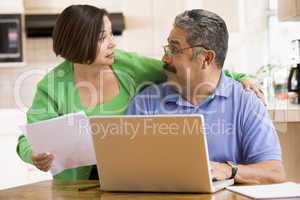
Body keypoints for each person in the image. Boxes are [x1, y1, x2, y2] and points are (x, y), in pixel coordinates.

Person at [17, 5, 263, 180]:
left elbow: (187, 69)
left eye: (111, 34)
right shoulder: (52, 86)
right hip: (75, 188)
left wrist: (238, 77)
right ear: (79, 42)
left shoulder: (126, 65)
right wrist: (34, 155)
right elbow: (27, 139)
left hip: (123, 183)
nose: (113, 43)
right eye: (103, 38)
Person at [126, 9, 286, 184]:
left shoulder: (246, 103)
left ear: (206, 58)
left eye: (174, 49)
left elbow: (274, 173)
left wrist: (228, 170)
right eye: (167, 48)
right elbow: (124, 168)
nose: (164, 58)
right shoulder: (146, 103)